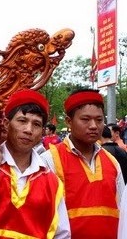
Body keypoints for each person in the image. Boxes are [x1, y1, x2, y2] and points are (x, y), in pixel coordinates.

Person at [0, 89, 71, 238]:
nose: (28, 130)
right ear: (6, 124)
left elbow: (62, 234)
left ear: (42, 133)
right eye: (22, 121)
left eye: (36, 124)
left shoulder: (52, 182)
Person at [40, 88, 124, 239]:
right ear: (68, 121)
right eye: (85, 119)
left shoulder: (112, 162)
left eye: (99, 120)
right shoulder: (49, 160)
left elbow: (123, 212)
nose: (93, 126)